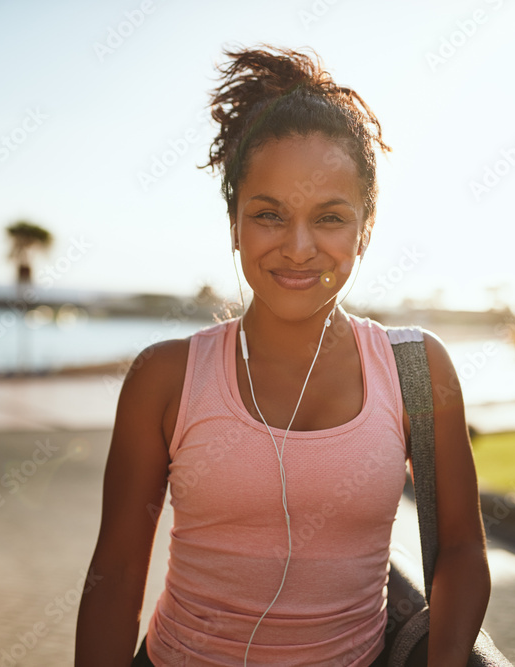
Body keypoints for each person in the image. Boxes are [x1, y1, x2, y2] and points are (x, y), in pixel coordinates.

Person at [75, 43, 490, 666]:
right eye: (269, 214)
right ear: (235, 222)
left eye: (329, 218)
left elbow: (460, 549)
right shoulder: (164, 379)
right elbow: (114, 576)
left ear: (365, 229)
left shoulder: (417, 372)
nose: (298, 248)